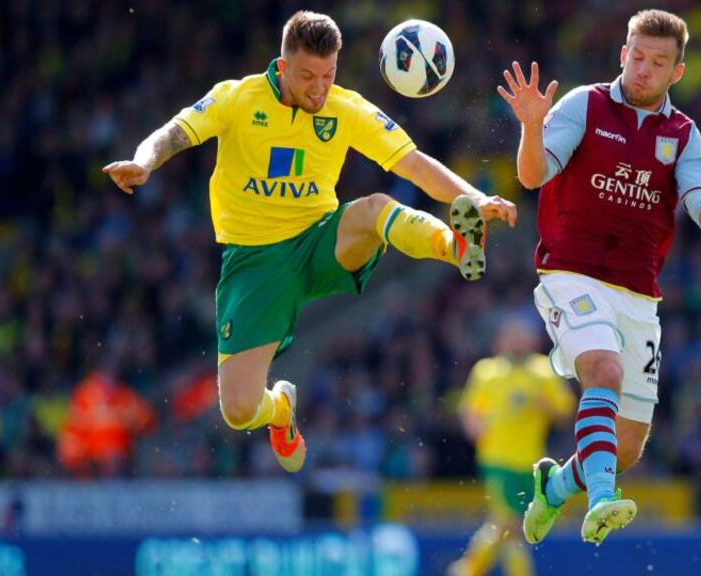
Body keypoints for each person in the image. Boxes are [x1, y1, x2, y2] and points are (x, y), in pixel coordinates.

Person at [103, 11, 516, 474]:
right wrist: (144, 162)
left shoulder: (346, 108)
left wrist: (476, 198)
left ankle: (454, 245)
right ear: (282, 68)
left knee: (374, 209)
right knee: (238, 409)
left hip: (321, 241)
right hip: (255, 262)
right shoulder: (237, 98)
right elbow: (175, 132)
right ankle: (281, 409)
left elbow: (414, 164)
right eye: (307, 77)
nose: (319, 88)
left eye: (328, 74)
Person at [497, 9, 701, 544]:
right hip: (571, 273)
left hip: (638, 294)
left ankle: (554, 486)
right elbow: (532, 175)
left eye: (658, 62)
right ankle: (601, 500)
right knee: (604, 370)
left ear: (677, 72)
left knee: (627, 447)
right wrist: (531, 126)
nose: (643, 69)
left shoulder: (682, 135)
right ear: (623, 54)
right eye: (637, 57)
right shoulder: (584, 105)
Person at [448, 318, 574, 576]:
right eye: (511, 335)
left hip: (531, 464)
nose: (516, 341)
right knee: (510, 523)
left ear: (532, 340)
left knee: (506, 526)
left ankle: (466, 569)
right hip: (497, 459)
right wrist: (475, 428)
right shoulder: (487, 371)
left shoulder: (544, 371)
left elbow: (565, 409)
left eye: (520, 335)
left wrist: (545, 406)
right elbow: (471, 409)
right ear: (500, 341)